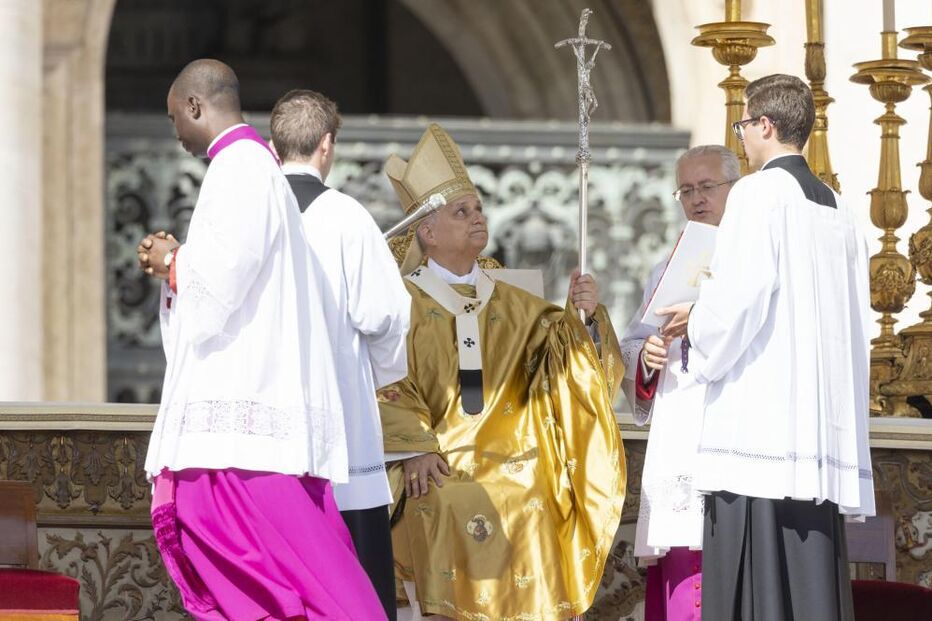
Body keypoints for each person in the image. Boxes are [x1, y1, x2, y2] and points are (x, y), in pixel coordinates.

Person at [136, 59, 385, 620]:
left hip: (238, 436)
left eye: (175, 115)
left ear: (197, 106)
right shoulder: (252, 166)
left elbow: (223, 281)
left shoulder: (241, 167)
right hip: (247, 429)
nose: (174, 130)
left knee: (283, 579)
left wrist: (171, 259)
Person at [378, 122, 626, 621]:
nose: (479, 218)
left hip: (515, 457)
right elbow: (385, 380)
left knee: (537, 494)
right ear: (426, 232)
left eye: (480, 209)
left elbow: (573, 373)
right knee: (448, 501)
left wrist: (586, 321)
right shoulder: (396, 303)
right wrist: (417, 447)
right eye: (461, 211)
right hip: (439, 457)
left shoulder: (519, 305)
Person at [658, 74, 874, 621]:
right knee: (810, 581)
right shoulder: (840, 210)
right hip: (818, 430)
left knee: (753, 585)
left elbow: (740, 300)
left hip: (758, 430)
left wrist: (696, 323)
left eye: (744, 125)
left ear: (765, 125)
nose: (743, 138)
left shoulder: (757, 194)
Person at [270, 88, 411, 621]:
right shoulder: (348, 218)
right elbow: (386, 318)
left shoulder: (252, 216)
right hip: (341, 435)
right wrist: (369, 372)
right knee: (353, 588)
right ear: (327, 145)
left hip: (269, 442)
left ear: (271, 144)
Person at [620, 145, 739, 620]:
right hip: (682, 435)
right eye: (686, 190)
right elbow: (636, 344)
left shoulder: (752, 260)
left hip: (732, 432)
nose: (697, 199)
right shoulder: (662, 270)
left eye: (708, 187)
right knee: (685, 574)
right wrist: (647, 359)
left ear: (735, 187)